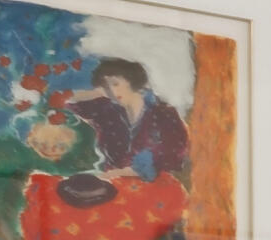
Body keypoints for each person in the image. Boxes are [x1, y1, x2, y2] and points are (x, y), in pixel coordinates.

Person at [67, 58, 190, 191]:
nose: (112, 91)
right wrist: (97, 92)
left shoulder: (164, 114)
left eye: (115, 84)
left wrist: (122, 172)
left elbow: (173, 156)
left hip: (155, 186)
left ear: (132, 80)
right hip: (112, 185)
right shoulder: (107, 109)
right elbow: (66, 101)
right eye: (106, 86)